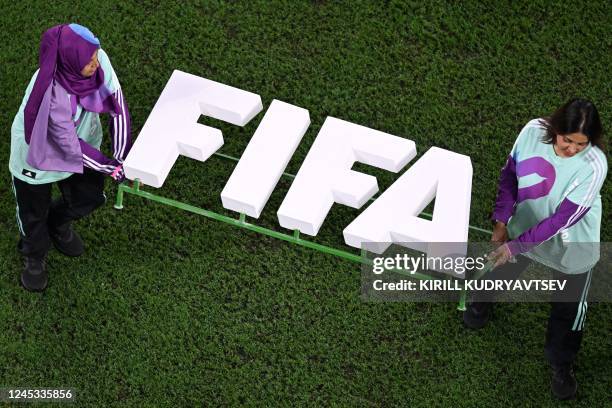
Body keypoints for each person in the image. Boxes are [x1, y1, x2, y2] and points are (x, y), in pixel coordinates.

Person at [462, 98, 607, 400]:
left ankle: (561, 365)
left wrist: (514, 247)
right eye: (568, 140)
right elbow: (509, 177)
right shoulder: (531, 132)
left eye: (581, 144)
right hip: (524, 226)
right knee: (496, 268)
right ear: (556, 129)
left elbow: (560, 220)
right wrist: (501, 222)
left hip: (572, 247)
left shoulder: (595, 165)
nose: (572, 150)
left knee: (568, 311)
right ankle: (481, 302)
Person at [9, 24, 131, 292]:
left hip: (84, 146)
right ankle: (34, 257)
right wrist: (112, 168)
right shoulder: (50, 95)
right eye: (89, 61)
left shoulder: (98, 61)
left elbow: (117, 106)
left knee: (90, 196)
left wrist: (122, 158)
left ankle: (58, 222)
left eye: (96, 55)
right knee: (33, 216)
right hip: (36, 161)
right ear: (69, 61)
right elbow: (70, 147)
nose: (96, 64)